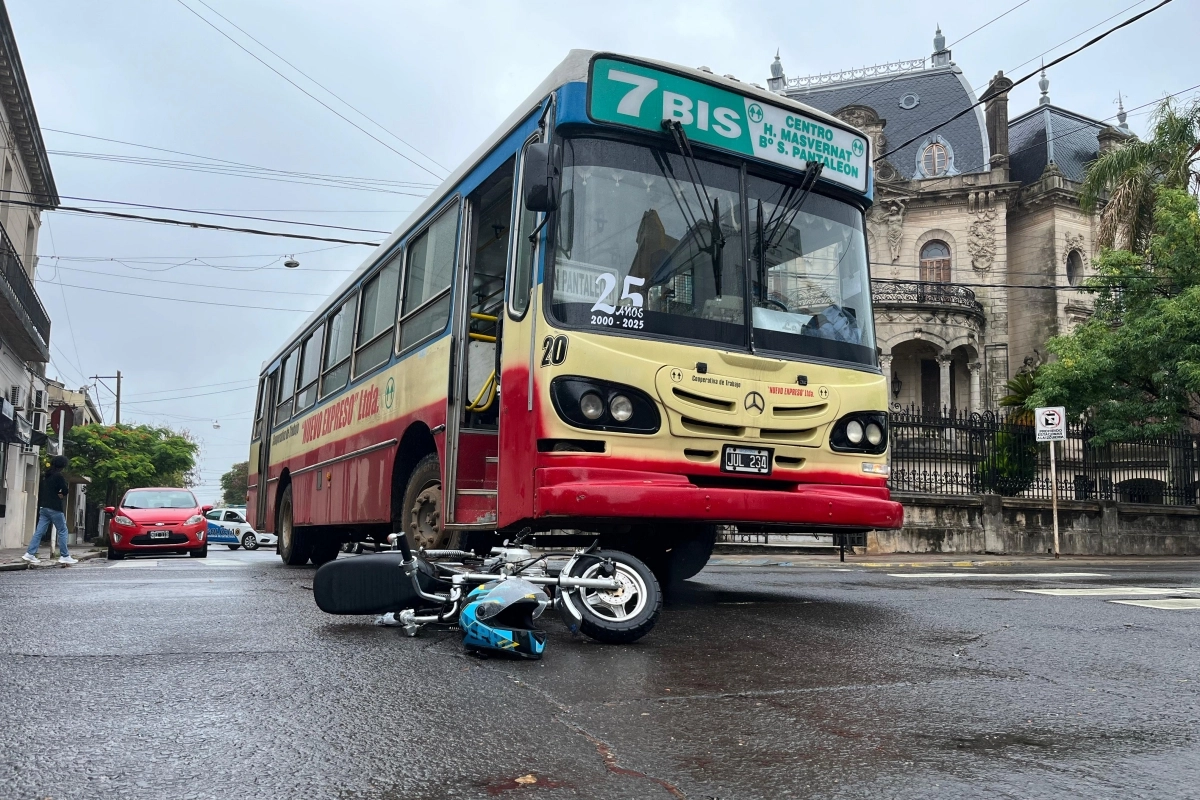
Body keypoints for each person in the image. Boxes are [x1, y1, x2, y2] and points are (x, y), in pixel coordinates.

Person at [21, 455, 76, 565]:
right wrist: (61, 494)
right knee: (62, 530)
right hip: (55, 508)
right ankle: (64, 555)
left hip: (44, 507)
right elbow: (65, 490)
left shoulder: (46, 475)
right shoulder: (59, 476)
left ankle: (30, 554)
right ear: (63, 465)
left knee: (39, 531)